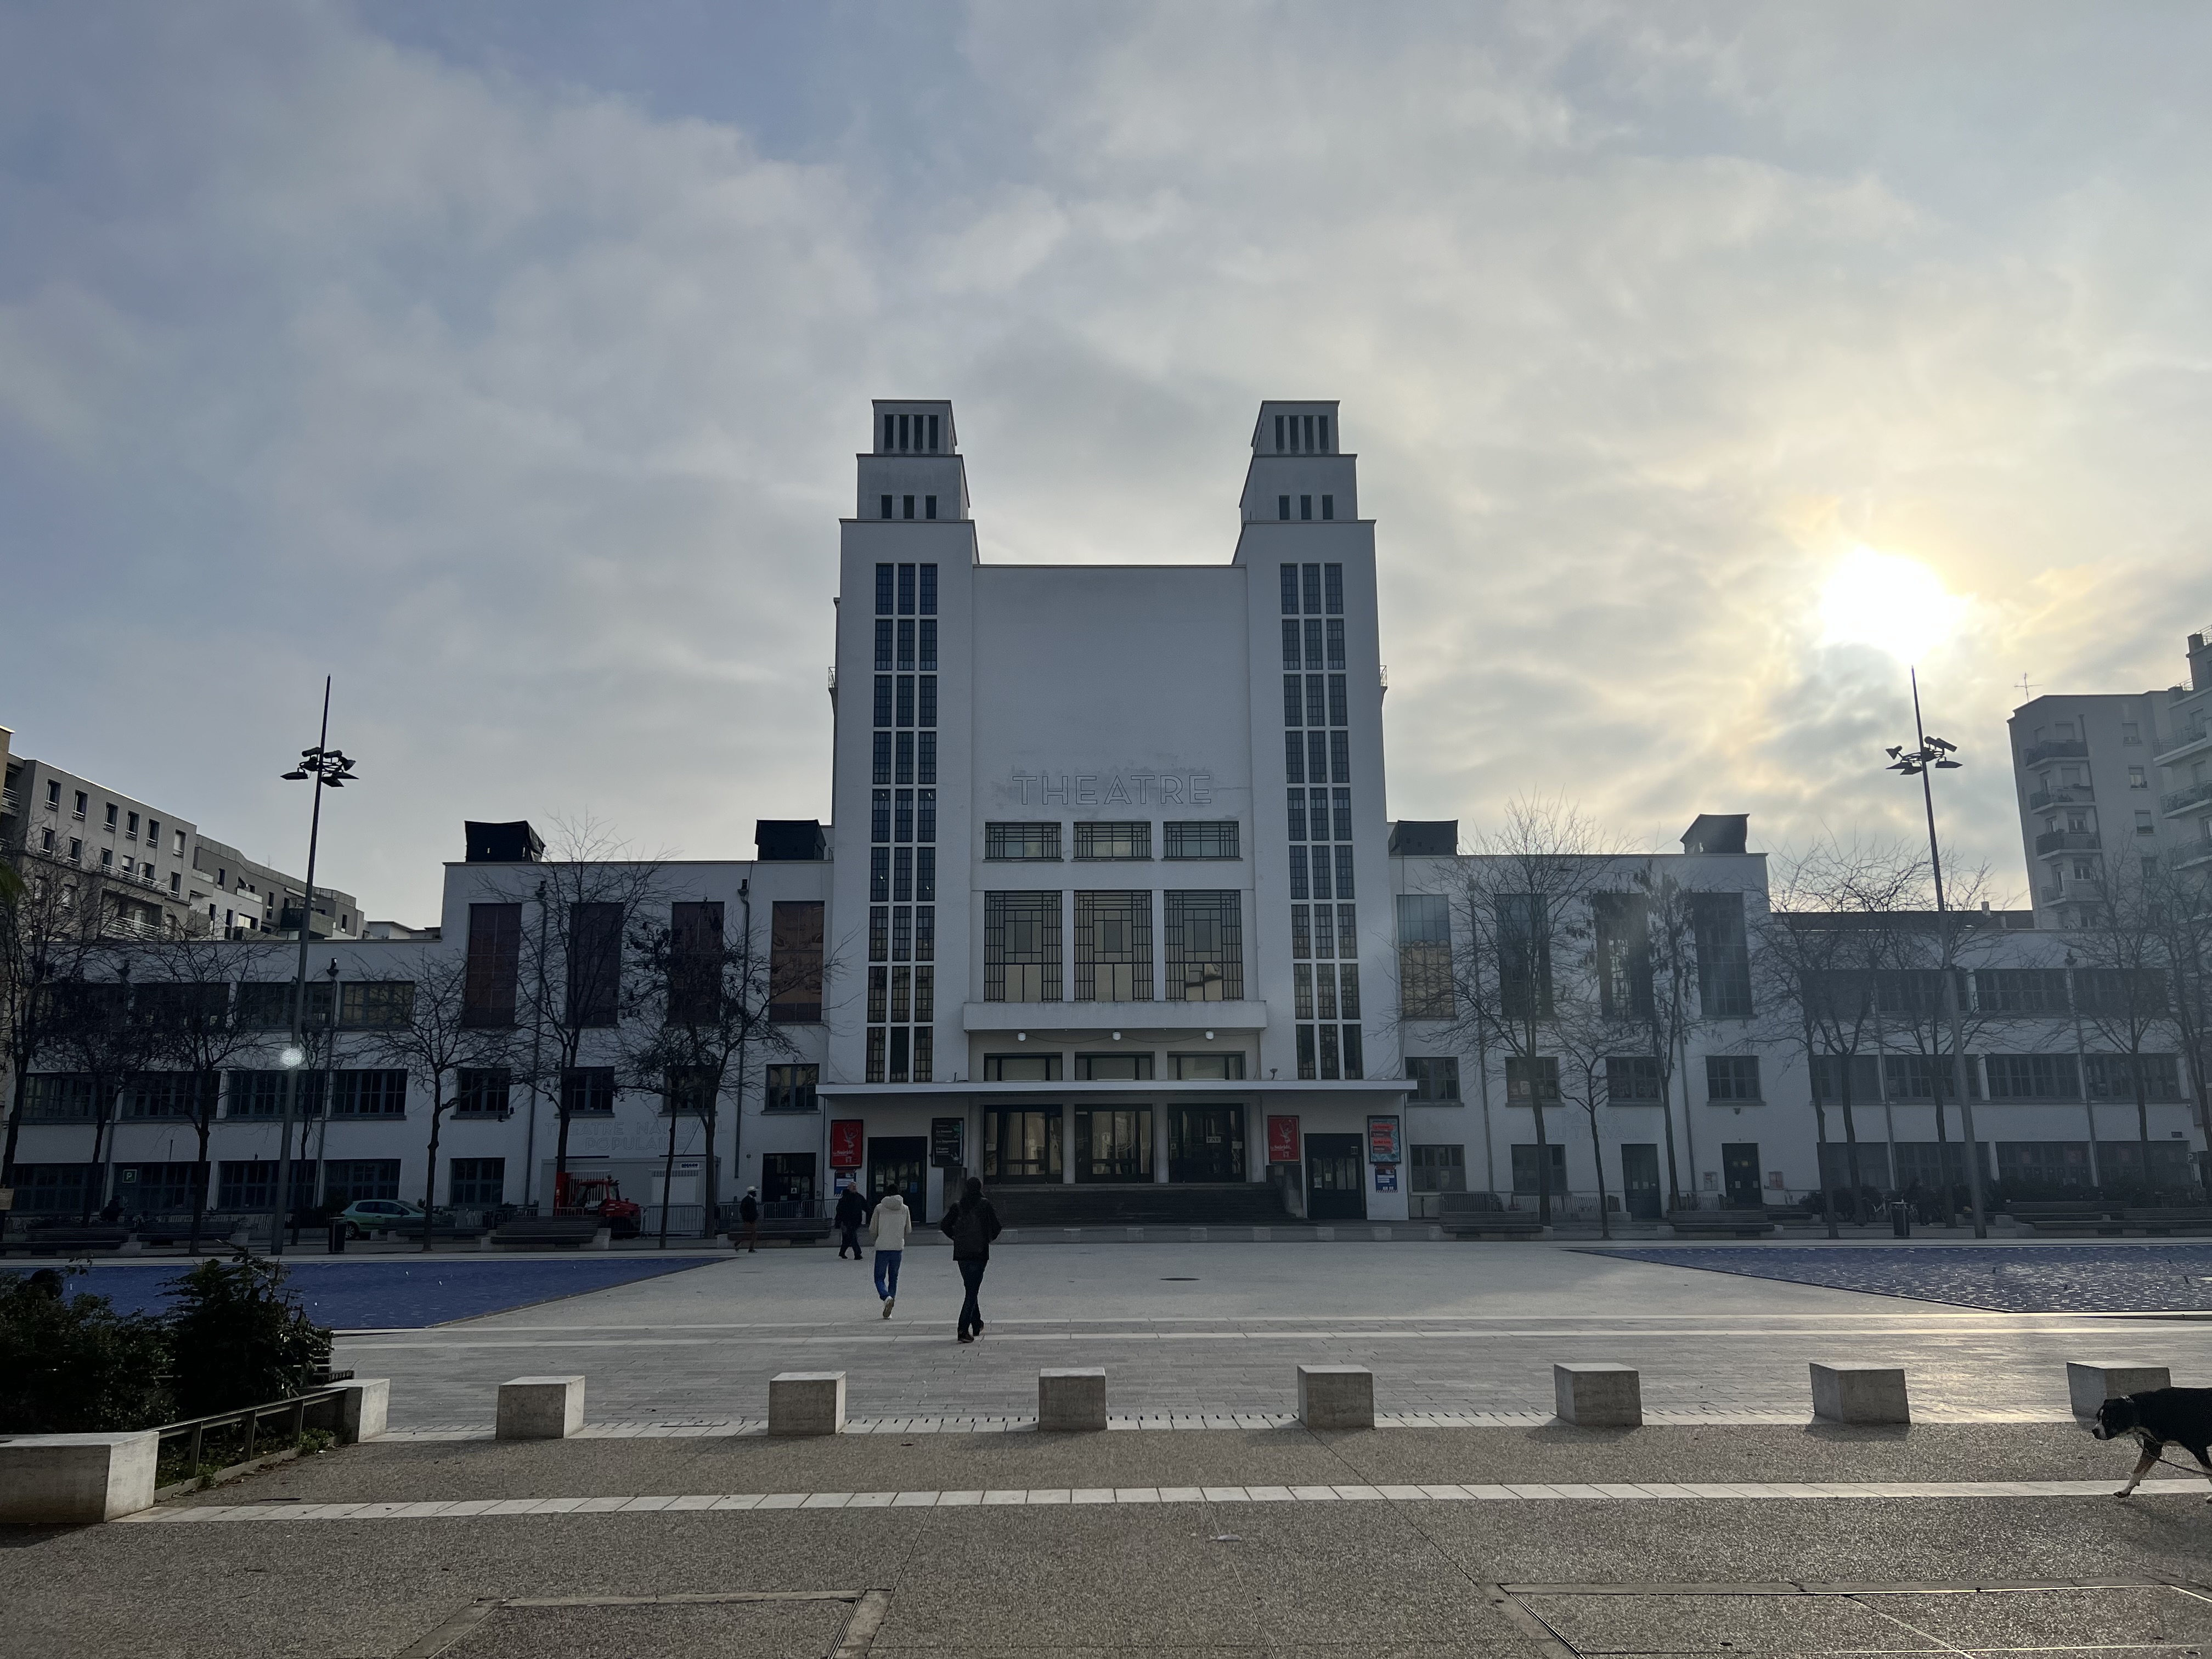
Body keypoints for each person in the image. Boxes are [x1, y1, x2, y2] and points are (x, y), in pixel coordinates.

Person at [939, 1176, 1001, 1343]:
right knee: (972, 1291)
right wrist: (986, 1239)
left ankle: (977, 1323)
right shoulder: (985, 1205)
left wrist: (957, 1238)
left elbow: (944, 1225)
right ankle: (962, 1329)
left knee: (971, 1288)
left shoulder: (958, 1206)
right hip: (979, 1253)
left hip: (962, 1253)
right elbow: (997, 1227)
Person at [869, 1188, 911, 1316]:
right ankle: (891, 1301)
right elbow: (908, 1229)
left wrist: (877, 1237)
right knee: (894, 1277)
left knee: (879, 1277)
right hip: (897, 1246)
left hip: (882, 1246)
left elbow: (873, 1229)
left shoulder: (879, 1208)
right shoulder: (905, 1208)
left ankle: (886, 1297)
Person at [834, 1181, 867, 1260]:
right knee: (852, 1237)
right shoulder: (845, 1198)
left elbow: (866, 1206)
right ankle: (858, 1254)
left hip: (856, 1221)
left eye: (855, 1186)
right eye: (852, 1187)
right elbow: (839, 1210)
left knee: (847, 1238)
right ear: (849, 1188)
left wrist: (872, 1214)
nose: (854, 1188)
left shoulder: (859, 1197)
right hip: (847, 1222)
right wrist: (838, 1221)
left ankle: (842, 1253)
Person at [737, 1186, 761, 1253]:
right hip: (749, 1221)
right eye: (755, 1192)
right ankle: (738, 1244)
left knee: (752, 1234)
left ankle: (749, 1247)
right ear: (752, 1193)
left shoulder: (752, 1200)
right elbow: (743, 1211)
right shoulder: (747, 1200)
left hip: (752, 1220)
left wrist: (756, 1215)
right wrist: (748, 1218)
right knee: (749, 1234)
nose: (756, 1193)